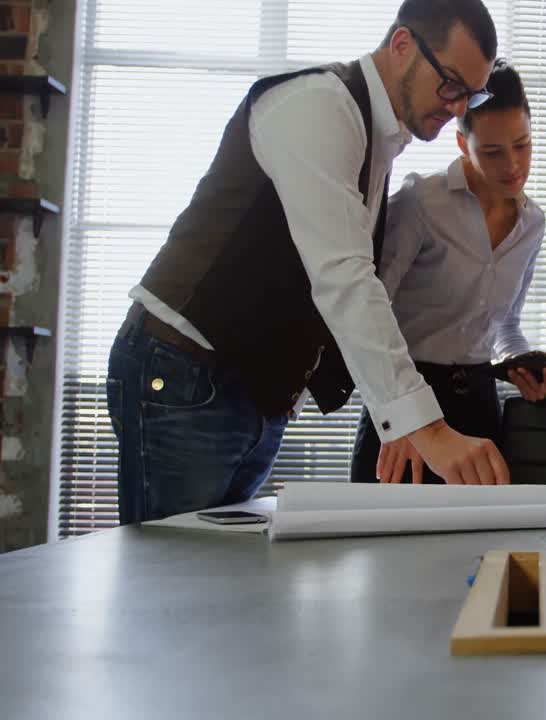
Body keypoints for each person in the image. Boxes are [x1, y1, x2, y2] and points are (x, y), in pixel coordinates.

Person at [106, 0, 511, 524]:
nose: (459, 108)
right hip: (185, 373)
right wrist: (425, 427)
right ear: (402, 45)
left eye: (471, 94)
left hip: (251, 393)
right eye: (451, 83)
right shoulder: (320, 107)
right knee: (173, 585)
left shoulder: (377, 138)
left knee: (223, 586)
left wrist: (401, 420)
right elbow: (344, 278)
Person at [352, 59, 546, 485]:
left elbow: (506, 325)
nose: (513, 165)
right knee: (382, 542)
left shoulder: (532, 224)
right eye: (493, 152)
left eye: (523, 145)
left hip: (479, 403)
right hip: (410, 392)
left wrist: (520, 361)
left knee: (475, 545)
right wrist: (399, 414)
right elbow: (370, 310)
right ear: (463, 145)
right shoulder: (421, 202)